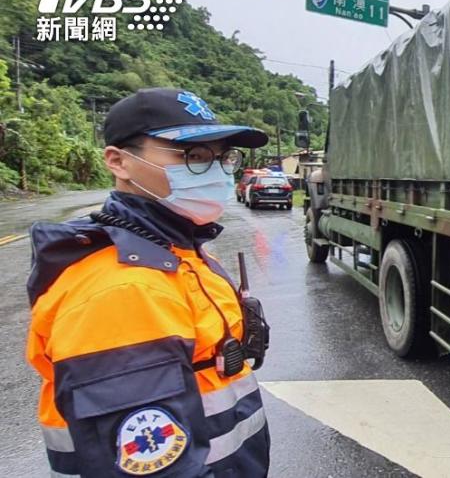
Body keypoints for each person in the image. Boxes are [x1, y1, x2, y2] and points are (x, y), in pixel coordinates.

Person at [26, 88, 272, 477]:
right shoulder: (124, 289)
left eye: (223, 156)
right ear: (118, 162)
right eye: (192, 156)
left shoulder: (181, 251)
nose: (217, 170)